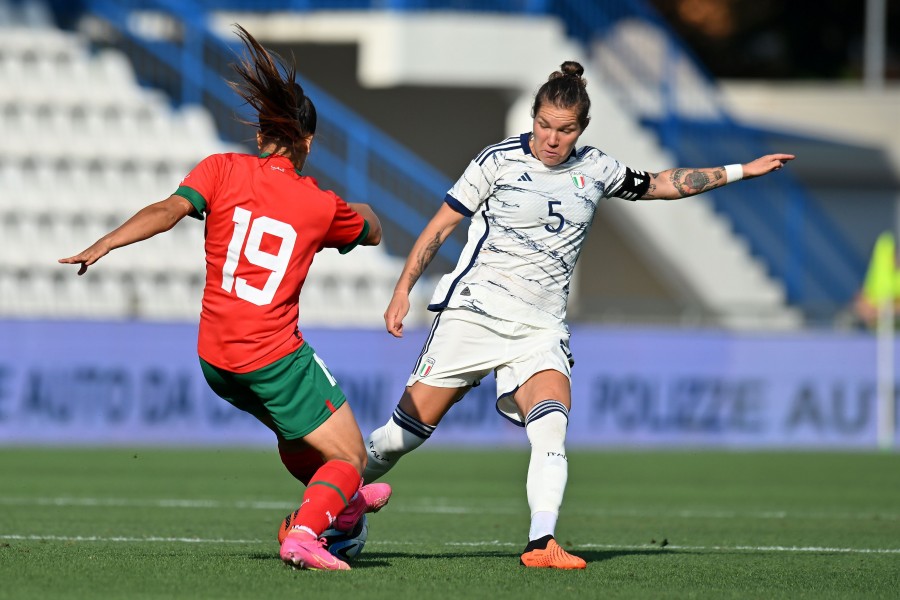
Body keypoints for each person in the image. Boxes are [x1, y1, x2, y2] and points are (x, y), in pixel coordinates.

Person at [362, 61, 795, 570]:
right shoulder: (495, 162)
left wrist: (743, 170)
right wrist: (402, 290)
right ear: (533, 118)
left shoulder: (597, 169)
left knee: (551, 427)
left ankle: (540, 543)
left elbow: (661, 183)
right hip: (474, 314)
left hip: (540, 328)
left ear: (581, 129)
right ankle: (325, 501)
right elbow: (440, 227)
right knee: (398, 439)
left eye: (564, 130)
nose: (551, 138)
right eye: (544, 125)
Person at [59, 25, 391, 572]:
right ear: (308, 143)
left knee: (297, 432)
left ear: (260, 137)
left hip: (215, 358)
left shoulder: (220, 170)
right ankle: (309, 530)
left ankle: (343, 502)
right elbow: (374, 231)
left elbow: (167, 211)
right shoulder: (320, 205)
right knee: (351, 456)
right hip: (272, 356)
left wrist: (108, 241)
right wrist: (358, 210)